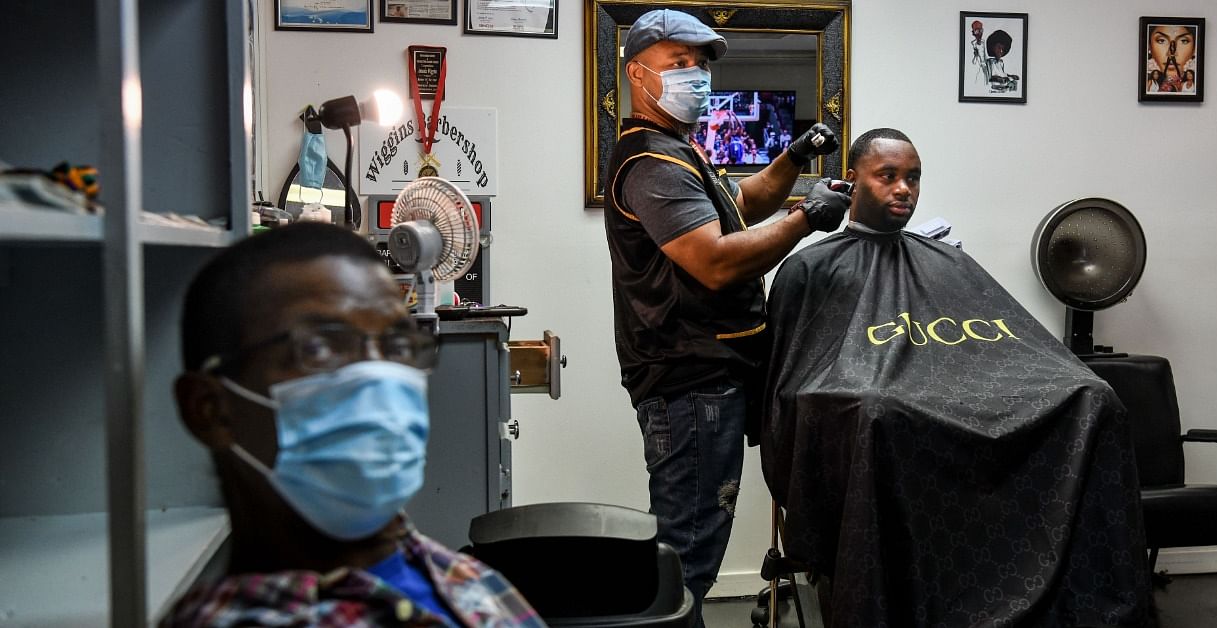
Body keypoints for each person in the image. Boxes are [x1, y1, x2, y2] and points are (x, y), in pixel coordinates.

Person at [761, 128, 1151, 626]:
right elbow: (790, 387)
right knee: (875, 410)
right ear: (851, 181)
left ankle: (1083, 603)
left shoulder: (948, 260)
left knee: (1095, 395)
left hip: (943, 414)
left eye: (913, 178)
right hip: (890, 423)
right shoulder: (810, 267)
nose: (904, 188)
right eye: (888, 176)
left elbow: (1001, 346)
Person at [163, 223, 544, 627]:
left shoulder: (459, 575)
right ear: (211, 410)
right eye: (320, 347)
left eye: (397, 345)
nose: (378, 378)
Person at [603, 8, 851, 625]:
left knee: (687, 549)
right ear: (638, 74)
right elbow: (713, 261)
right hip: (690, 385)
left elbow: (737, 205)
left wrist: (793, 160)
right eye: (678, 63)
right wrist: (805, 219)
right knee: (688, 556)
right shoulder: (652, 163)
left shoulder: (677, 151)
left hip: (711, 378)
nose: (697, 76)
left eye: (701, 64)